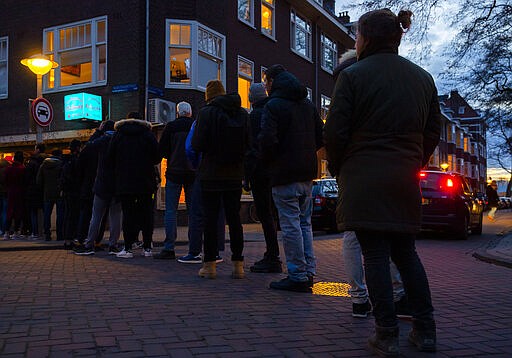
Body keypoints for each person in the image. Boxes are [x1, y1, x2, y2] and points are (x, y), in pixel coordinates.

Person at [324, 9, 441, 356]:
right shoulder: (423, 78)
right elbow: (431, 131)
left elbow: (336, 131)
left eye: (357, 36)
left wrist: (340, 165)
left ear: (366, 37)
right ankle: (426, 329)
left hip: (363, 177)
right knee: (406, 253)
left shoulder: (353, 76)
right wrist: (413, 160)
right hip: (404, 177)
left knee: (374, 254)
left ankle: (386, 332)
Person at [335, 49, 410, 319]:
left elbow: (335, 131)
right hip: (389, 168)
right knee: (386, 235)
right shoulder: (382, 85)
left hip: (355, 170)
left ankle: (359, 299)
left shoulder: (346, 83)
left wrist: (339, 165)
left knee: (354, 236)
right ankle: (398, 296)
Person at [258, 65, 324, 292]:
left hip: (284, 174)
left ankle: (297, 274)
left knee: (290, 225)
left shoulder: (273, 106)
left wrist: (271, 161)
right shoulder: (308, 105)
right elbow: (320, 137)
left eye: (266, 81)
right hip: (307, 174)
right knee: (304, 223)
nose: (265, 86)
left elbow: (267, 139)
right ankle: (308, 271)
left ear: (273, 81)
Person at [191, 79, 248, 279]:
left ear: (208, 97)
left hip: (211, 174)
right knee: (234, 220)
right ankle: (238, 265)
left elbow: (197, 144)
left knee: (210, 219)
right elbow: (249, 144)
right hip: (234, 175)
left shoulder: (206, 113)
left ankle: (209, 266)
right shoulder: (241, 113)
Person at [154, 101, 202, 262]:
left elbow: (162, 151)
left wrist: (171, 156)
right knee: (193, 211)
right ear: (189, 113)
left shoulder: (171, 127)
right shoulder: (195, 126)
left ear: (177, 113)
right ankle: (194, 248)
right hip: (192, 172)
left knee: (170, 210)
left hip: (174, 172)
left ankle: (169, 247)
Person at [108, 112, 159, 258]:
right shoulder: (148, 134)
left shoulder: (118, 135)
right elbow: (157, 156)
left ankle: (128, 247)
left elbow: (109, 157)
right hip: (146, 181)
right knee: (147, 214)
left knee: (128, 214)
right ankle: (147, 247)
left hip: (125, 182)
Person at [245, 83, 282, 273]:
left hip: (260, 172)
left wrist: (248, 174)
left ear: (252, 98)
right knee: (273, 213)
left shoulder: (253, 117)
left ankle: (272, 255)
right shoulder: (273, 111)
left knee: (265, 213)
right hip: (274, 172)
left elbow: (250, 148)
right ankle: (274, 253)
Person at [74, 120, 123, 256]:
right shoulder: (120, 140)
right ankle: (113, 245)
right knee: (116, 216)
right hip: (116, 184)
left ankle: (89, 244)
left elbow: (89, 146)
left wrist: (97, 132)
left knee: (96, 216)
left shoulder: (102, 140)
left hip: (102, 183)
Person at [37, 148, 64, 241]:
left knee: (47, 214)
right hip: (59, 192)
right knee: (60, 214)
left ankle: (47, 234)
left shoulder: (43, 165)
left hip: (47, 192)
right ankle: (60, 234)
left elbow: (39, 180)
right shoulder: (61, 164)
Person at [60, 140, 82, 249]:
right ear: (77, 148)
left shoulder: (65, 160)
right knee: (73, 215)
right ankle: (70, 239)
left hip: (67, 191)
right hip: (74, 191)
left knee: (68, 215)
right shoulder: (75, 160)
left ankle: (67, 239)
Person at [24, 144, 47, 239]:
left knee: (33, 212)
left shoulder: (32, 162)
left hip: (33, 190)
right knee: (45, 211)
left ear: (37, 149)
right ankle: (45, 232)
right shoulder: (46, 161)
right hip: (44, 189)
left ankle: (35, 232)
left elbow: (27, 177)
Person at [4, 151, 26, 239]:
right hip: (20, 192)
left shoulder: (8, 168)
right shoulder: (22, 169)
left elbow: (5, 180)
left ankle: (6, 232)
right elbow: (24, 181)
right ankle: (16, 232)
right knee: (18, 212)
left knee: (9, 212)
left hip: (10, 191)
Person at [0, 155, 9, 236]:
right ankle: (4, 229)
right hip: (6, 193)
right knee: (5, 212)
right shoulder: (7, 170)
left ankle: (0, 229)